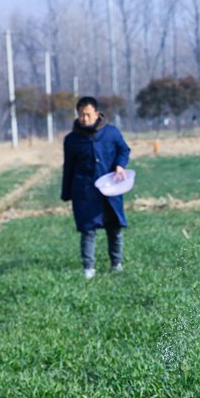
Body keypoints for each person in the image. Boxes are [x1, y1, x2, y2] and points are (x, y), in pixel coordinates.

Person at [61, 96, 131, 279]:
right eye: (81, 115)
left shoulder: (111, 133)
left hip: (110, 189)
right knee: (88, 230)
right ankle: (88, 267)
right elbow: (68, 166)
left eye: (88, 115)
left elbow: (124, 150)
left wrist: (120, 165)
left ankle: (116, 263)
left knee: (114, 228)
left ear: (97, 113)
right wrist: (67, 192)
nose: (84, 119)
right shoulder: (72, 140)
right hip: (84, 191)